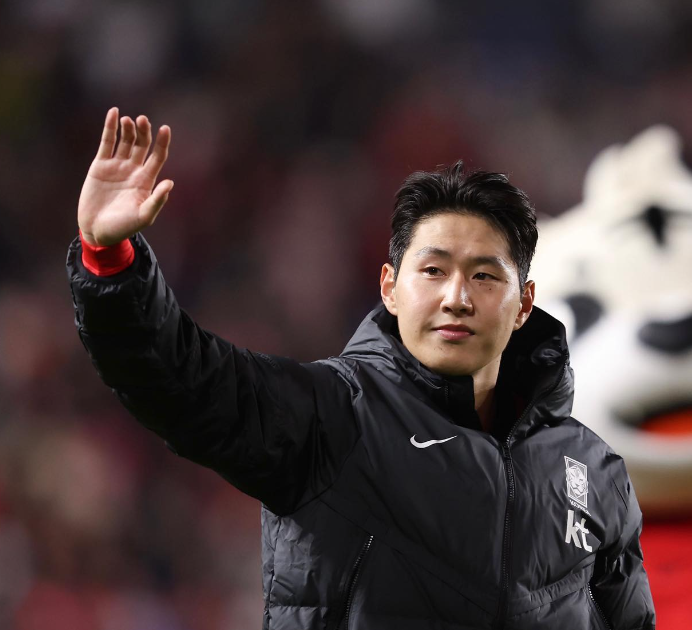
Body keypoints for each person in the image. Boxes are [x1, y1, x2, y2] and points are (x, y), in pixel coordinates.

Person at [67, 108, 656, 629]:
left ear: (524, 303)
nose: (456, 297)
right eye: (433, 271)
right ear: (390, 288)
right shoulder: (334, 415)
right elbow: (181, 379)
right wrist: (109, 261)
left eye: (484, 275)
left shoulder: (593, 468)